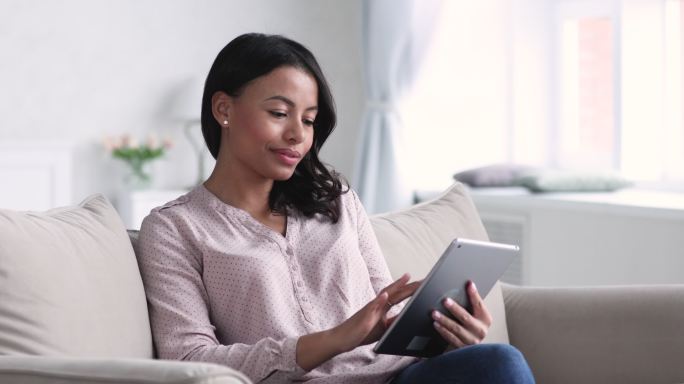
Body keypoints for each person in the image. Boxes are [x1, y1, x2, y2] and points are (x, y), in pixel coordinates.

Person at [137, 33, 535, 384]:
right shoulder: (175, 229)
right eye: (278, 113)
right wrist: (331, 341)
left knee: (497, 360)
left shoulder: (336, 199)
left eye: (309, 120)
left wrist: (449, 336)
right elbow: (189, 362)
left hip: (395, 376)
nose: (297, 134)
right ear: (223, 109)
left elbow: (388, 313)